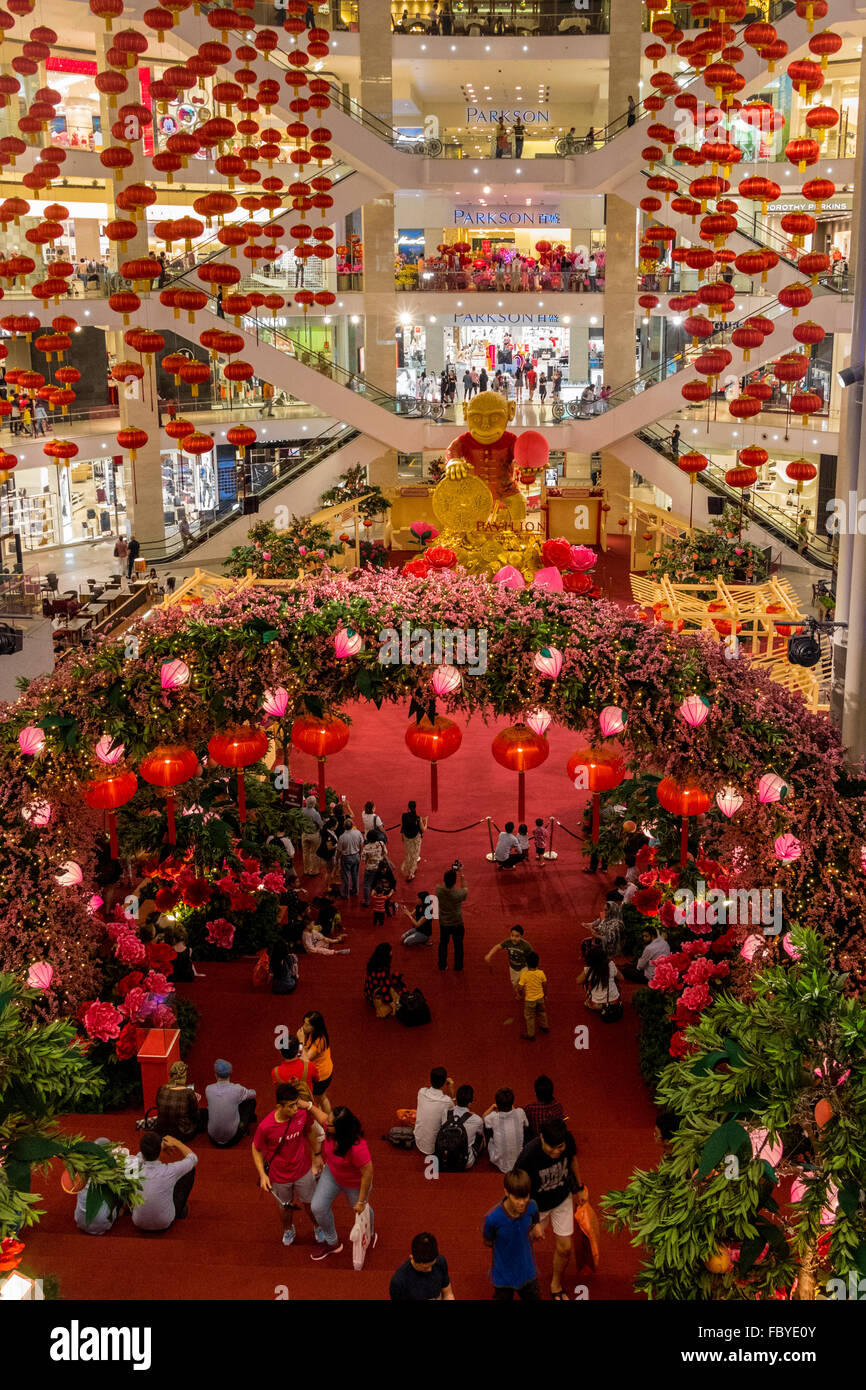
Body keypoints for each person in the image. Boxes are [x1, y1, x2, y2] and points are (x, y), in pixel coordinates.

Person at [516, 1118, 588, 1300]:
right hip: (536, 1206)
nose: (556, 1152)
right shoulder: (528, 1156)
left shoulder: (568, 1140)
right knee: (524, 1244)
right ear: (541, 1138)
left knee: (565, 1248)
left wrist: (579, 1188)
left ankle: (556, 1284)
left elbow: (573, 1160)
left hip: (561, 1199)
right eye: (551, 1147)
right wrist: (533, 1221)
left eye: (560, 1147)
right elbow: (518, 1190)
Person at [252, 1083, 324, 1246]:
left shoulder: (301, 1115)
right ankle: (288, 1229)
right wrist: (263, 1175)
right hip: (280, 1176)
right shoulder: (266, 1127)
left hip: (303, 1170)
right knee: (285, 1207)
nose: (295, 1110)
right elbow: (256, 1149)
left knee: (311, 1203)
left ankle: (318, 1227)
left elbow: (309, 1132)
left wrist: (317, 1155)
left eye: (296, 1104)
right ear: (279, 1106)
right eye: (291, 1106)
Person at [310, 1106, 374, 1262]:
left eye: (330, 1123)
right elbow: (321, 1116)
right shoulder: (330, 1127)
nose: (326, 1123)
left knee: (363, 1210)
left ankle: (370, 1232)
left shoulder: (358, 1148)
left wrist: (361, 1200)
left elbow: (367, 1173)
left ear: (340, 1129)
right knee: (317, 1207)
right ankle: (332, 1243)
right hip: (331, 1174)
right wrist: (308, 1105)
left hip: (354, 1184)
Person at [483, 1169, 542, 1301]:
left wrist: (536, 1224)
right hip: (503, 1275)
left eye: (525, 1197)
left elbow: (535, 1214)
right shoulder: (493, 1218)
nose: (522, 1203)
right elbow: (488, 1241)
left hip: (527, 1272)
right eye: (517, 1198)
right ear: (506, 1192)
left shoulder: (531, 1206)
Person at [131, 1131, 198, 1231]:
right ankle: (179, 1211)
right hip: (164, 1223)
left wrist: (155, 1149)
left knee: (130, 1179)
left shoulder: (132, 1166)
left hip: (138, 1222)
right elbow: (193, 1159)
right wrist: (177, 1143)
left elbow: (138, 1158)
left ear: (142, 1151)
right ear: (159, 1151)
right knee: (189, 1171)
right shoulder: (170, 1171)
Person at [74, 1137, 122, 1234]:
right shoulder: (112, 1173)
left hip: (80, 1221)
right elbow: (129, 1176)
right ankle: (118, 1212)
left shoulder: (81, 1169)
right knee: (119, 1192)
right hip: (102, 1226)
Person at [205, 1059, 257, 1147]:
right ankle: (244, 1127)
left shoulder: (208, 1089)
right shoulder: (237, 1089)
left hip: (212, 1139)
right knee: (251, 1102)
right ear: (230, 1074)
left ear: (215, 1075)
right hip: (233, 1139)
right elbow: (253, 1094)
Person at [390, 1232, 455, 1300]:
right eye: (425, 1268)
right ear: (412, 1257)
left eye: (432, 1265)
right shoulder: (399, 1281)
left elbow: (447, 1293)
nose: (430, 1269)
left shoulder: (440, 1261)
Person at [154, 1060, 202, 1140]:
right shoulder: (188, 1092)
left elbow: (158, 1106)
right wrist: (196, 1101)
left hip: (162, 1132)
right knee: (203, 1114)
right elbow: (195, 1115)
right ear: (184, 1075)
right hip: (182, 1134)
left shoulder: (161, 1089)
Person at [483, 1088, 528, 1174]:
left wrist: (492, 1107)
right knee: (523, 1126)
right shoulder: (520, 1112)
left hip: (501, 1165)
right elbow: (527, 1125)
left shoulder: (493, 1117)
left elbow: (483, 1118)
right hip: (519, 1161)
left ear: (497, 1104)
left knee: (487, 1127)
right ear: (512, 1102)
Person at [414, 1066, 455, 1155]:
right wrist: (452, 1091)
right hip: (434, 1148)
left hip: (418, 1140)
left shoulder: (421, 1092)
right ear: (444, 1082)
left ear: (430, 1080)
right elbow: (455, 1109)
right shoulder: (447, 1101)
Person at [484, 924, 534, 996]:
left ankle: (528, 996)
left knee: (525, 984)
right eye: (512, 935)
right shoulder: (508, 942)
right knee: (515, 984)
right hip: (513, 968)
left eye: (517, 936)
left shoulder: (526, 945)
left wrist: (533, 969)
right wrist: (489, 955)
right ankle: (518, 994)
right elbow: (497, 947)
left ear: (521, 936)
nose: (514, 938)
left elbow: (533, 957)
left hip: (523, 967)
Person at [434, 864, 467, 971]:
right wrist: (461, 874)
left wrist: (450, 874)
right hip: (457, 923)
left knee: (443, 943)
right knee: (458, 946)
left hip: (444, 923)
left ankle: (442, 965)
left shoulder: (438, 890)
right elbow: (465, 888)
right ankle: (458, 966)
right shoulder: (458, 895)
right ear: (454, 882)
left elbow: (444, 884)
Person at [297, 1011, 333, 1101]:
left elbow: (304, 1059)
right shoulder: (313, 1033)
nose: (304, 1027)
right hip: (324, 1071)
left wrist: (300, 1041)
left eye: (307, 1025)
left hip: (320, 1077)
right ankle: (328, 1114)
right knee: (322, 1098)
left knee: (315, 1102)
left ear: (315, 1026)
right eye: (304, 1023)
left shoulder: (319, 1040)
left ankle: (324, 1115)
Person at [364, 941, 407, 1015]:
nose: (392, 953)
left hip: (369, 992)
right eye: (390, 951)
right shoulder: (383, 971)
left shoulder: (372, 963)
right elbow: (385, 991)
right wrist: (393, 1004)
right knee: (399, 986)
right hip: (377, 995)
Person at [578, 941, 621, 1012]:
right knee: (615, 980)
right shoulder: (610, 965)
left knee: (585, 984)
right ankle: (606, 1004)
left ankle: (595, 1005)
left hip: (596, 1003)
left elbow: (578, 981)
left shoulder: (589, 970)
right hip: (614, 1001)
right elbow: (621, 978)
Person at [451, 1084, 486, 1167]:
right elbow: (480, 1135)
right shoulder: (477, 1120)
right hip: (465, 1162)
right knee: (481, 1135)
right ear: (470, 1104)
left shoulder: (446, 1113)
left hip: (446, 1158)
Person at [518, 950, 549, 1040]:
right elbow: (545, 985)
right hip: (540, 998)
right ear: (537, 962)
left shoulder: (524, 975)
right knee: (542, 1012)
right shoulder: (541, 973)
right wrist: (545, 995)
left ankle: (531, 1035)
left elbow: (520, 987)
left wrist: (520, 994)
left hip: (529, 1000)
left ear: (526, 964)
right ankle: (544, 1026)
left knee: (530, 1016)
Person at [524, 1074, 566, 1139]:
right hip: (554, 1138)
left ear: (536, 1093)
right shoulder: (558, 1106)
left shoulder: (531, 1108)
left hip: (537, 1140)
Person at [400, 799, 427, 881]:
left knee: (408, 852)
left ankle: (406, 868)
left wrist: (402, 837)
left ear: (408, 807)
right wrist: (426, 822)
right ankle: (411, 873)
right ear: (415, 807)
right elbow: (423, 830)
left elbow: (402, 827)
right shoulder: (418, 818)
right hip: (415, 839)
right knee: (415, 854)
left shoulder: (404, 816)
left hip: (406, 837)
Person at [337, 816, 364, 898]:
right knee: (355, 874)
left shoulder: (342, 837)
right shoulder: (358, 833)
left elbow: (339, 850)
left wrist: (337, 858)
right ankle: (355, 890)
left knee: (346, 876)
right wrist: (360, 853)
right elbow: (361, 844)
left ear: (344, 826)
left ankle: (345, 894)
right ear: (352, 825)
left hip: (346, 857)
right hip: (356, 855)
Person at [360, 828, 385, 908]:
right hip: (379, 867)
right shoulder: (381, 843)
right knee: (379, 882)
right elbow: (385, 853)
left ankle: (367, 901)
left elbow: (363, 859)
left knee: (367, 884)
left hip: (370, 868)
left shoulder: (366, 848)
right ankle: (381, 898)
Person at [300, 795, 323, 876]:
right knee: (313, 853)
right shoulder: (315, 813)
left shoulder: (302, 811)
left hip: (304, 834)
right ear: (314, 804)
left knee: (305, 853)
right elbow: (320, 824)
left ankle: (306, 869)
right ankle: (313, 871)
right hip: (313, 835)